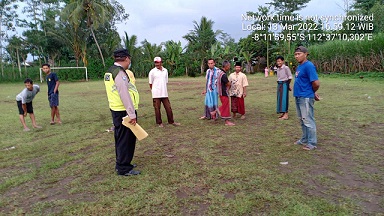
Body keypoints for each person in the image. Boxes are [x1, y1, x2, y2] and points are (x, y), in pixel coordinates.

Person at [104, 48, 140, 176]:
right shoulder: (119, 73)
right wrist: (131, 114)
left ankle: (123, 162)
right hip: (123, 110)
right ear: (126, 58)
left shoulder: (110, 71)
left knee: (121, 138)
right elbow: (124, 94)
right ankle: (124, 167)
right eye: (129, 59)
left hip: (116, 109)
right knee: (126, 139)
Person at [293, 46, 320, 151]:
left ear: (305, 54)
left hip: (306, 97)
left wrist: (312, 92)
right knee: (302, 120)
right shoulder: (299, 66)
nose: (296, 56)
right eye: (295, 54)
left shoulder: (309, 66)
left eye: (299, 54)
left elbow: (316, 83)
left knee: (308, 120)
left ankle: (312, 142)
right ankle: (304, 139)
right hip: (299, 96)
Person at [148, 56, 180, 127]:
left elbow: (166, 81)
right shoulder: (152, 72)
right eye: (155, 63)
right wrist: (154, 90)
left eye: (158, 62)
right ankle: (159, 123)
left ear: (161, 62)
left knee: (168, 108)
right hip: (156, 94)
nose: (157, 64)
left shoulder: (165, 70)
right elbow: (150, 83)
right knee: (157, 109)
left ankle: (171, 121)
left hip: (164, 93)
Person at [217, 60, 235, 126]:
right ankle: (226, 121)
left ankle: (215, 111)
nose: (229, 67)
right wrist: (231, 82)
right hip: (224, 92)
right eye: (229, 66)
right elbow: (227, 84)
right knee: (226, 107)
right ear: (226, 66)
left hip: (220, 92)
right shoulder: (223, 75)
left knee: (225, 105)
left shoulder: (219, 72)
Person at [276, 56, 293, 120]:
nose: (278, 62)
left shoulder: (286, 68)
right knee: (280, 99)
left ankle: (286, 114)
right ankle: (282, 113)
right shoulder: (278, 69)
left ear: (283, 61)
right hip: (279, 84)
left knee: (284, 99)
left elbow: (290, 77)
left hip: (284, 84)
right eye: (277, 61)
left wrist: (288, 85)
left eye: (279, 61)